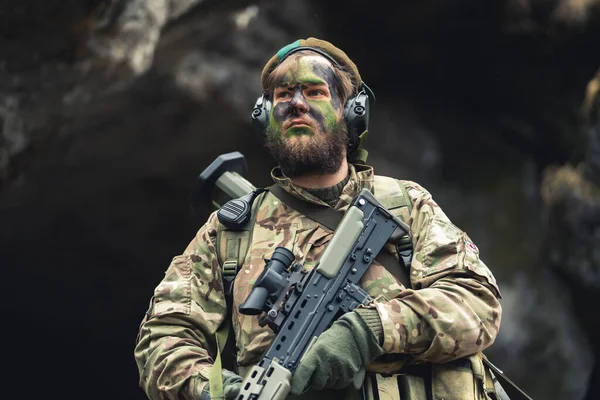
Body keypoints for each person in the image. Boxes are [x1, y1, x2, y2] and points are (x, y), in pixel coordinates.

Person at [134, 37, 503, 400]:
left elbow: (476, 303)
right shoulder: (229, 233)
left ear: (352, 110)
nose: (297, 104)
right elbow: (162, 342)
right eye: (283, 96)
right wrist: (218, 391)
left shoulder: (404, 205)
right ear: (265, 116)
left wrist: (370, 329)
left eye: (315, 92)